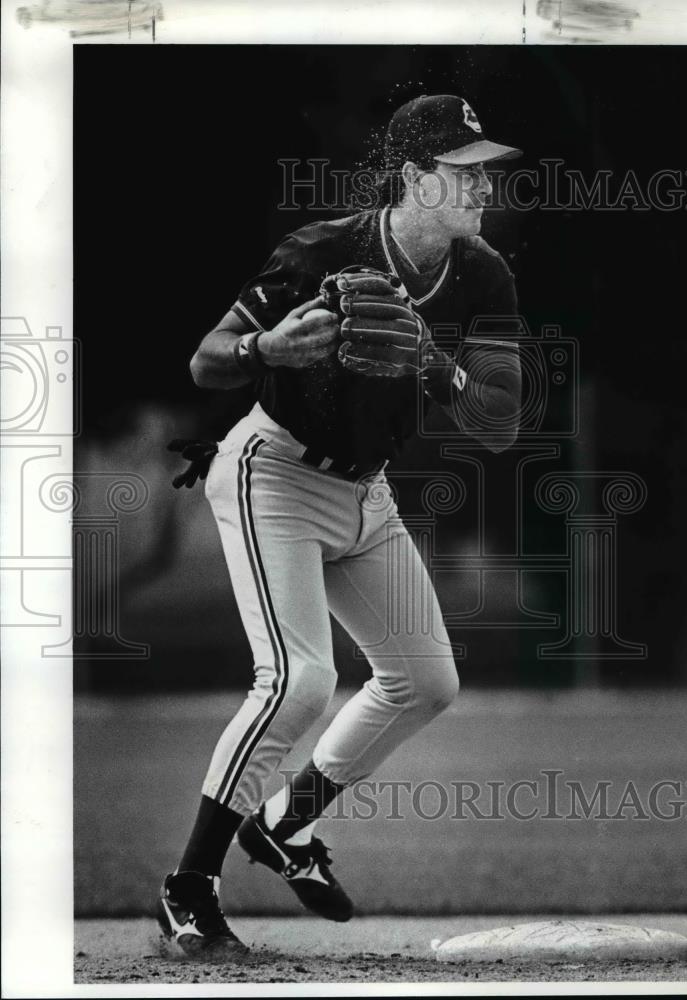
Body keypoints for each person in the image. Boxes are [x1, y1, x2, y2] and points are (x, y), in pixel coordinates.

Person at [157, 94, 523, 957]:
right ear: (411, 178)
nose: (481, 188)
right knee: (299, 679)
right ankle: (188, 886)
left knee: (425, 681)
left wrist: (438, 370)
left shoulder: (481, 275)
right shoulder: (322, 250)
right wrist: (265, 351)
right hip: (274, 471)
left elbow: (501, 422)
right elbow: (207, 360)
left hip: (367, 492)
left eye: (484, 171)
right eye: (462, 172)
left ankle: (284, 826)